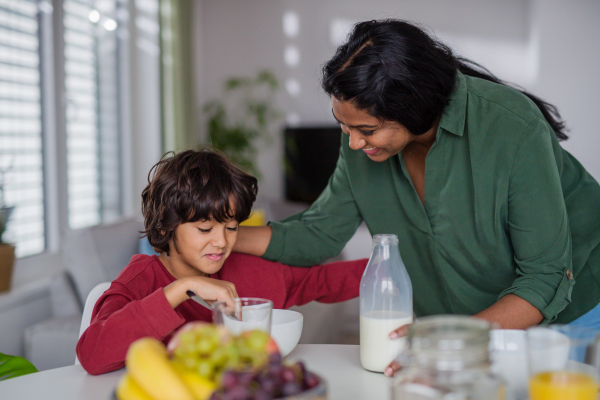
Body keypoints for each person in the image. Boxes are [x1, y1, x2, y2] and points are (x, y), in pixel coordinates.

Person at [233, 19, 600, 373]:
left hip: (570, 314)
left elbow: (545, 277)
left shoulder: (512, 126)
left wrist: (451, 339)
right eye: (343, 125)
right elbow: (319, 233)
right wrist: (219, 236)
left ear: (413, 105)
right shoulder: (361, 146)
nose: (353, 141)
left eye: (367, 129)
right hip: (464, 330)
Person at [76, 149, 367, 375]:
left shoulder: (251, 270)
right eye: (205, 229)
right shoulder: (140, 280)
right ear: (165, 227)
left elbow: (323, 281)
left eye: (231, 227)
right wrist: (184, 288)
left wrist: (398, 264)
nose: (222, 242)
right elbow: (92, 354)